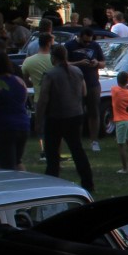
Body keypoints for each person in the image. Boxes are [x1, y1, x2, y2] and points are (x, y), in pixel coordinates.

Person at [34, 46, 94, 191]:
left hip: (56, 117)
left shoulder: (50, 74)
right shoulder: (77, 71)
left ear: (53, 57)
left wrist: (38, 120)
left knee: (52, 152)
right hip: (75, 115)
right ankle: (88, 182)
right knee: (77, 149)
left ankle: (52, 181)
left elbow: (43, 100)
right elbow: (84, 92)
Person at [67, 28, 105, 151]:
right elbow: (64, 63)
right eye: (85, 42)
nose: (88, 44)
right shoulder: (69, 46)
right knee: (77, 113)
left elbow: (103, 62)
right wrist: (79, 63)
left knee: (94, 112)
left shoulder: (95, 45)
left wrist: (96, 63)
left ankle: (94, 141)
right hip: (74, 84)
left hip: (92, 83)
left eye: (89, 41)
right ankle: (76, 141)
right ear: (79, 36)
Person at [111, 71, 128, 174]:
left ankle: (125, 168)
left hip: (121, 121)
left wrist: (127, 85)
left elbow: (120, 87)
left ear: (118, 80)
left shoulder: (115, 90)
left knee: (121, 145)